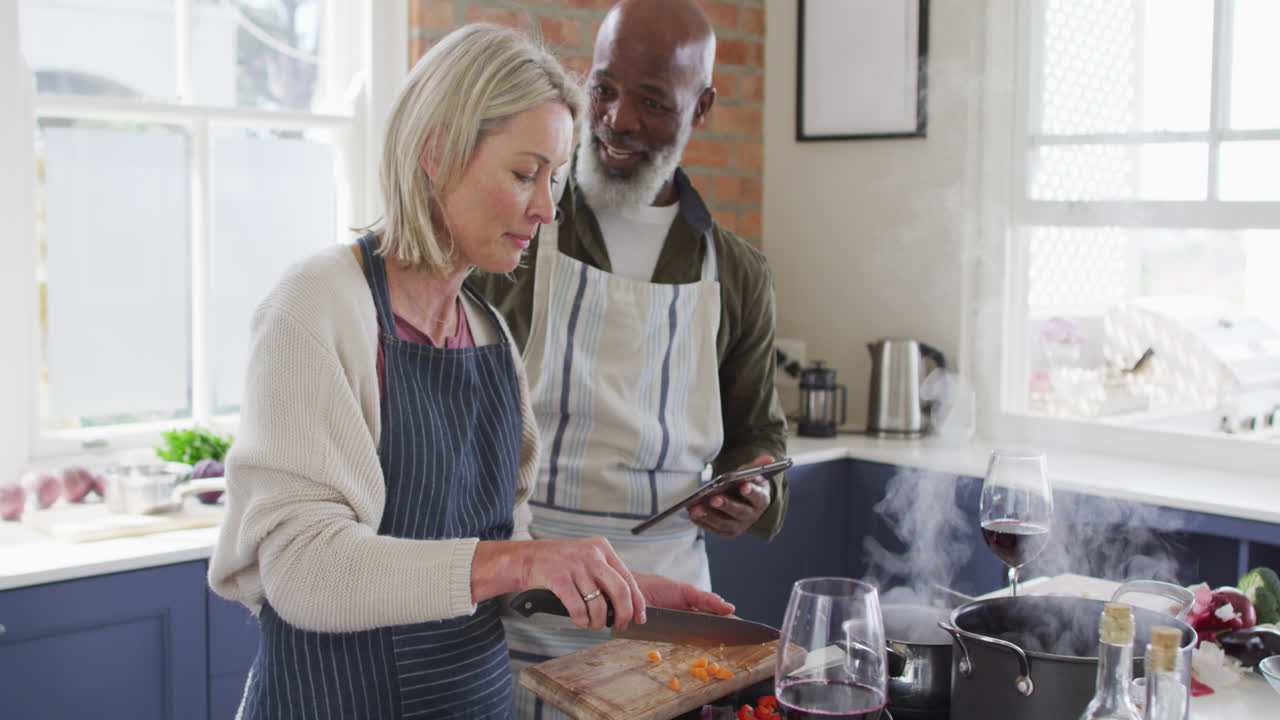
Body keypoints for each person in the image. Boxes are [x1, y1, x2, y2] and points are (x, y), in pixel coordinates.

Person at [208, 23, 723, 720]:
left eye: (554, 178)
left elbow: (500, 557)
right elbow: (304, 569)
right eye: (524, 173)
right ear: (436, 152)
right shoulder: (318, 305)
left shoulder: (488, 336)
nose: (546, 208)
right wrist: (521, 561)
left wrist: (619, 589)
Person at [469, 1, 789, 716]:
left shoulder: (736, 273)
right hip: (522, 596)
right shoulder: (519, 231)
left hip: (667, 616)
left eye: (653, 102)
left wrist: (752, 491)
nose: (618, 120)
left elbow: (758, 434)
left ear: (701, 107)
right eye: (604, 89)